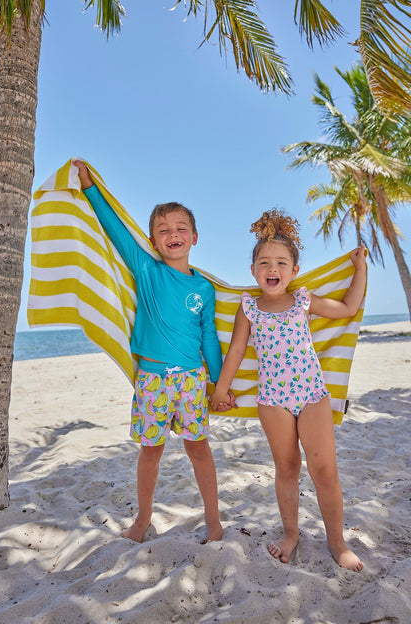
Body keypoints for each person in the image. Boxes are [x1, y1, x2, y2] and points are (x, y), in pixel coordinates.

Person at [74, 160, 225, 544]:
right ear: (154, 240)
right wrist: (90, 188)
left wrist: (218, 385)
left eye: (180, 228)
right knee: (150, 453)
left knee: (198, 449)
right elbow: (117, 232)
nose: (172, 234)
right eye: (163, 230)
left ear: (194, 237)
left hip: (192, 380)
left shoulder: (204, 289)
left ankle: (213, 519)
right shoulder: (147, 270)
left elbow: (210, 339)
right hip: (152, 379)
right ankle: (142, 520)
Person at [210, 209, 367, 572]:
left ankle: (337, 541)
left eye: (281, 262)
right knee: (287, 466)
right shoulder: (248, 308)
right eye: (264, 262)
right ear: (253, 271)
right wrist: (221, 390)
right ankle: (291, 533)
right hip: (273, 401)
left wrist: (359, 270)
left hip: (312, 394)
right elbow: (235, 351)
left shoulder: (303, 301)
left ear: (294, 271)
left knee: (324, 469)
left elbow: (347, 308)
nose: (272, 268)